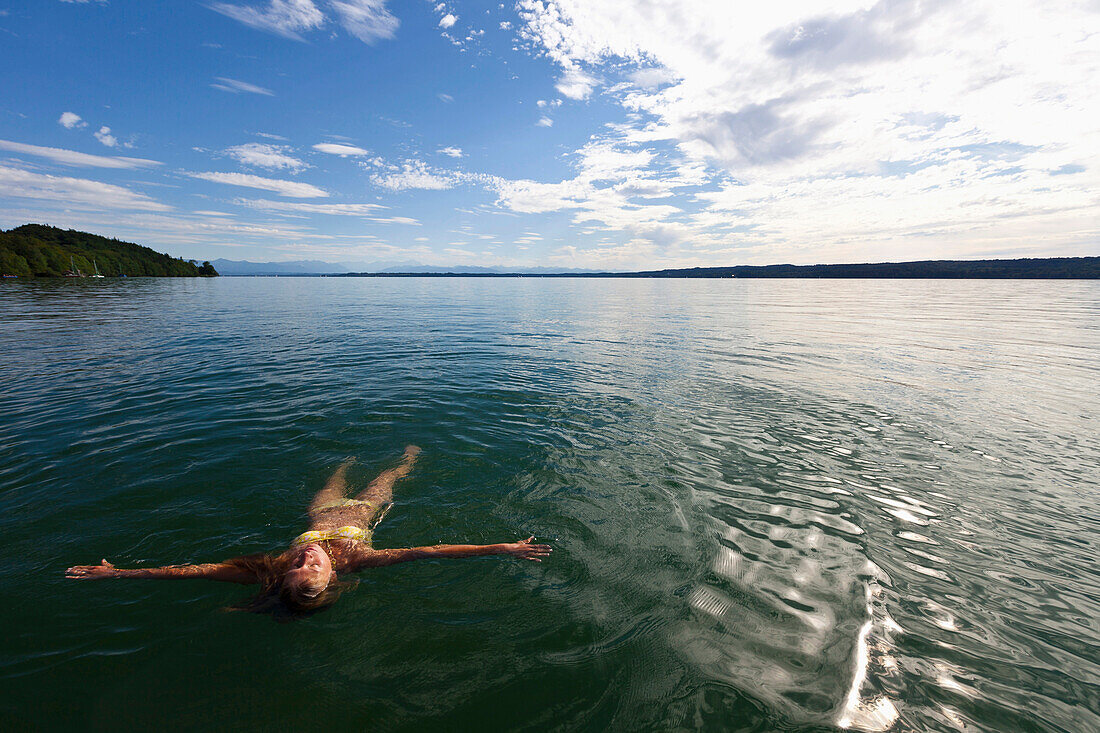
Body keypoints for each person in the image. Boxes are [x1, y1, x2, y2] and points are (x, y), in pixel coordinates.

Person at [66, 446, 551, 619]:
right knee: (391, 477)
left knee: (337, 472)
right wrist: (501, 546)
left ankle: (347, 459)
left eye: (298, 568)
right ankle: (409, 458)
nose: (305, 561)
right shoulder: (358, 561)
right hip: (363, 513)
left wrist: (120, 573)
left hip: (320, 512)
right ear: (330, 582)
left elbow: (191, 571)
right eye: (310, 571)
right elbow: (432, 550)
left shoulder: (273, 570)